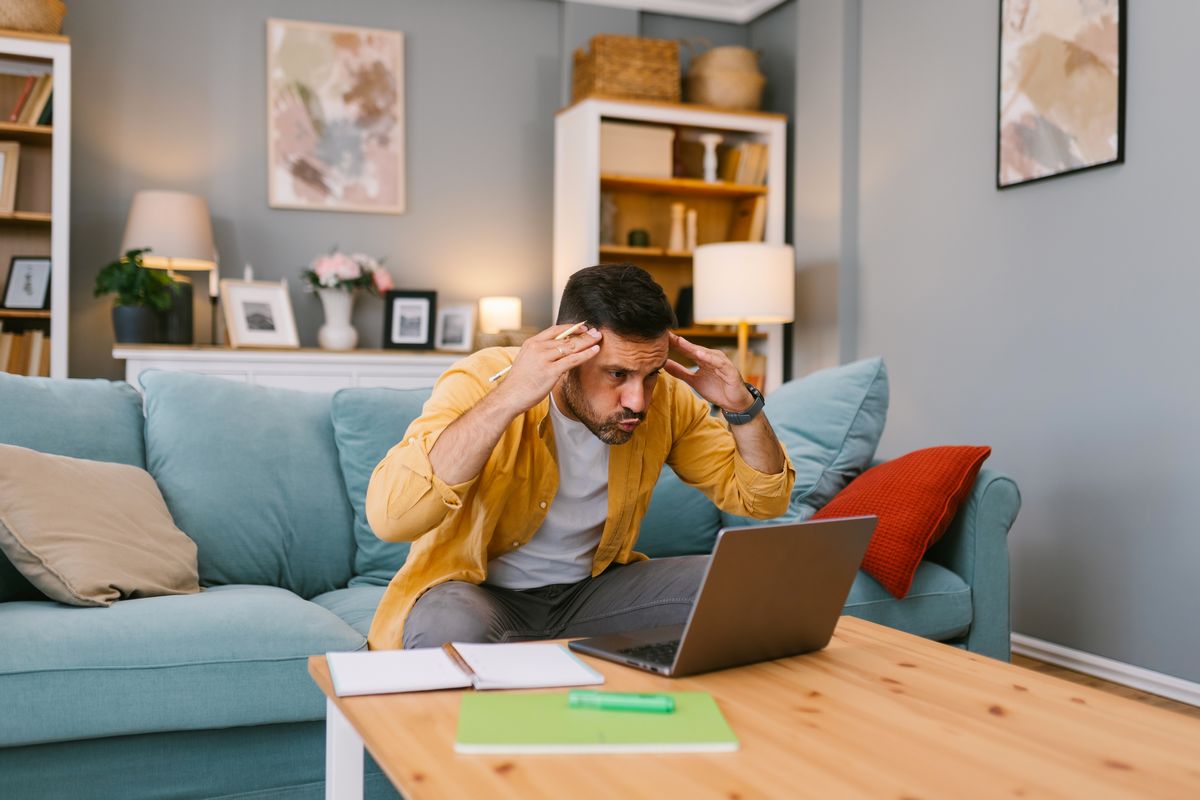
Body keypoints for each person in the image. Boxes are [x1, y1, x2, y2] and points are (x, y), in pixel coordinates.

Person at [365, 264, 795, 649]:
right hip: (477, 595)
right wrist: (510, 397)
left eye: (651, 375)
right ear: (569, 349)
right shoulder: (483, 381)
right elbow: (392, 519)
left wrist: (743, 408)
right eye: (617, 374)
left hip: (592, 595)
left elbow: (762, 500)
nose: (638, 401)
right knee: (448, 630)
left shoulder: (665, 401)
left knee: (739, 587)